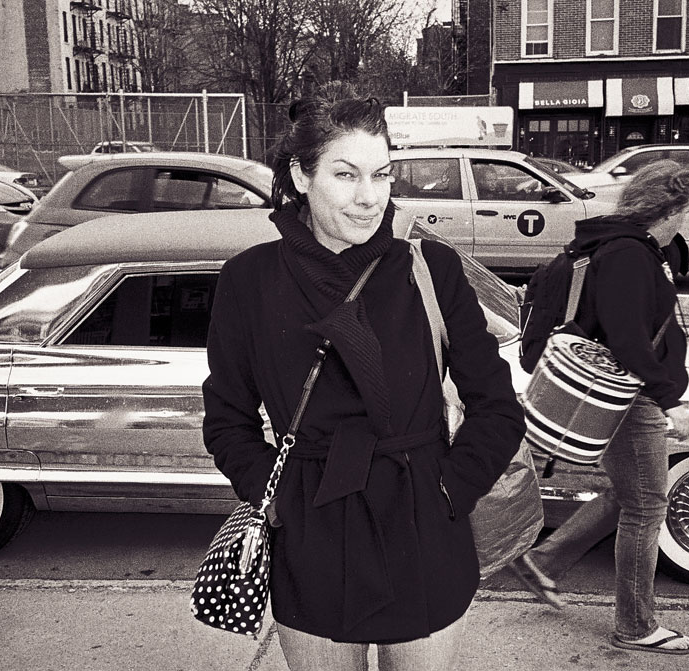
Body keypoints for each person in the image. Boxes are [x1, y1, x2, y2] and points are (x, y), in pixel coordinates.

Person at [201, 84, 525, 671]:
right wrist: (278, 500)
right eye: (346, 175)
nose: (369, 198)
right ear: (301, 176)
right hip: (312, 536)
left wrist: (449, 490)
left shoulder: (432, 269)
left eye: (382, 175)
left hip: (423, 529)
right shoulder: (248, 280)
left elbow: (497, 406)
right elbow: (227, 418)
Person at [510, 159, 689, 655]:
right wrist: (670, 400)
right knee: (647, 506)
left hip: (630, 391)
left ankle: (542, 563)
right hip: (632, 397)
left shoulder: (630, 246)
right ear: (671, 209)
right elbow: (629, 339)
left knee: (630, 494)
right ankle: (635, 626)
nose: (684, 219)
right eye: (685, 210)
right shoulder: (628, 254)